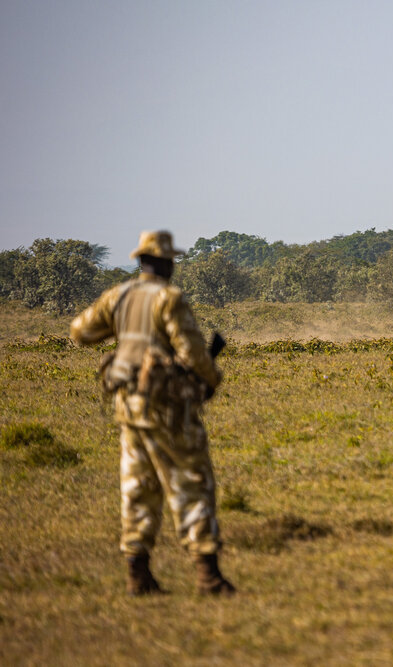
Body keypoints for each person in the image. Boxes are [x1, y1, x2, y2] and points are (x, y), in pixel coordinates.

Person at [70, 230, 235, 596]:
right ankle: (208, 575)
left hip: (128, 407)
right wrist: (211, 379)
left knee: (138, 489)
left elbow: (80, 332)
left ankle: (137, 574)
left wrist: (124, 335)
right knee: (191, 482)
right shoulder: (168, 298)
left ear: (140, 261)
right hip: (166, 409)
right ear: (165, 263)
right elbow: (192, 353)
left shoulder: (119, 295)